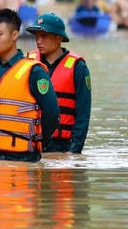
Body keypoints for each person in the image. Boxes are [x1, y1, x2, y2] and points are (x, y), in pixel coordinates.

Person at [0, 9, 60, 162]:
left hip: (23, 159)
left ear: (15, 35)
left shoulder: (34, 71)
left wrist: (38, 141)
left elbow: (52, 115)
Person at [25, 14, 91, 153]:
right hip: (30, 142)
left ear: (59, 38)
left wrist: (74, 152)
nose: (38, 41)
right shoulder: (27, 62)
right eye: (36, 36)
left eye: (44, 36)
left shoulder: (78, 67)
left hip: (62, 145)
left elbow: (83, 115)